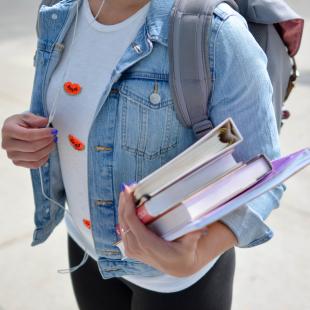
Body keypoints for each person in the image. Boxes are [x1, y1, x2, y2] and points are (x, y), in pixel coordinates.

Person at [1, 0, 285, 309]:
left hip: (177, 282)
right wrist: (26, 132)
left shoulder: (216, 32)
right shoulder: (58, 12)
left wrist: (195, 257)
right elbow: (80, 106)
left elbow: (262, 171)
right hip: (87, 250)